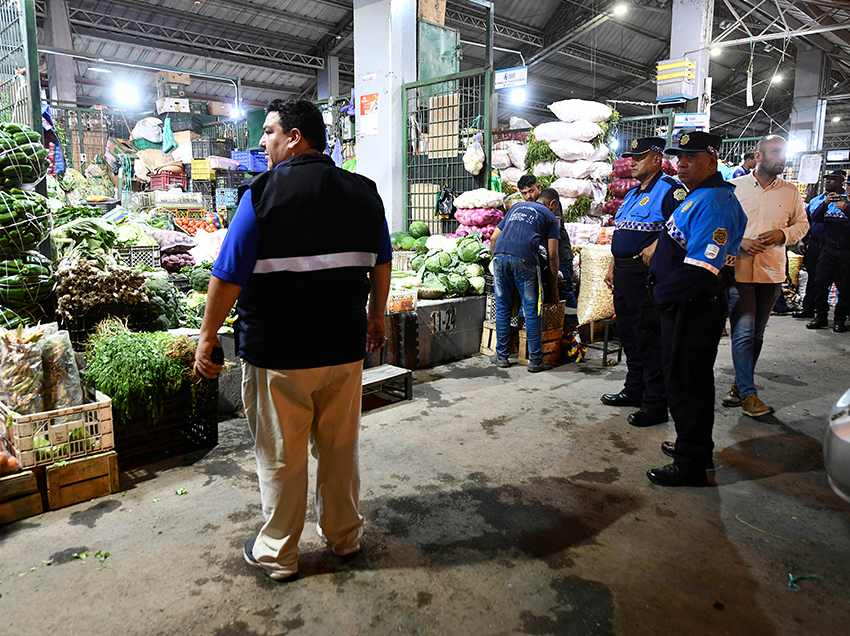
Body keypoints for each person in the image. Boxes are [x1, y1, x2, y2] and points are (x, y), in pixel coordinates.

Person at [193, 99, 391, 580]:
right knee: (340, 449)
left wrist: (206, 338)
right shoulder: (364, 192)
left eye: (269, 132)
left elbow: (227, 275)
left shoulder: (260, 196)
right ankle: (345, 537)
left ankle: (280, 553)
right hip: (342, 352)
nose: (263, 142)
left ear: (295, 136)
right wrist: (376, 315)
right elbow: (382, 258)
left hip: (279, 356)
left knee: (282, 455)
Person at [646, 131, 747, 487]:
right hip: (685, 302)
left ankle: (691, 464)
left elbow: (703, 266)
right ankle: (695, 446)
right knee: (690, 379)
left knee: (686, 381)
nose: (682, 164)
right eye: (679, 157)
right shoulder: (700, 196)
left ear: (712, 161)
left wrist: (662, 294)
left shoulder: (715, 201)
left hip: (692, 304)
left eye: (691, 157)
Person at [600, 137, 687, 429]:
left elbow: (683, 229)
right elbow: (621, 232)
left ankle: (654, 403)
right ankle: (634, 388)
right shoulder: (632, 194)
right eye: (631, 157)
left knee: (649, 338)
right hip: (624, 275)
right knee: (628, 335)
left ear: (655, 157)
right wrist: (613, 264)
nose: (632, 162)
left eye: (638, 157)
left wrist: (658, 245)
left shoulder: (671, 190)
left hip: (646, 277)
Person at [726, 136, 808, 417]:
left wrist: (783, 235)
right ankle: (749, 395)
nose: (782, 158)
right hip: (738, 271)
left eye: (784, 153)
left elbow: (802, 224)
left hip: (771, 272)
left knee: (757, 335)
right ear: (758, 156)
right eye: (775, 152)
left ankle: (739, 385)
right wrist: (738, 243)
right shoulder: (734, 188)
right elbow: (719, 226)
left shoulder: (790, 192)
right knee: (744, 331)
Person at [489, 193, 560, 372]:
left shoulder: (515, 207)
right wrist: (553, 287)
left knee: (503, 306)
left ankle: (502, 356)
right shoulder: (551, 217)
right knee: (531, 309)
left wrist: (496, 261)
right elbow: (552, 255)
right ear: (553, 203)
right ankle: (536, 360)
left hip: (499, 256)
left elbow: (493, 238)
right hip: (525, 260)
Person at [517, 176, 577, 308]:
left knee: (565, 291)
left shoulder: (550, 202)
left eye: (531, 191)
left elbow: (554, 225)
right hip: (545, 258)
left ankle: (573, 326)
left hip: (560, 256)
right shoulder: (529, 207)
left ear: (538, 188)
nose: (528, 196)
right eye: (524, 193)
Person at [793, 171, 844, 319]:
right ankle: (809, 308)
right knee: (814, 279)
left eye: (832, 180)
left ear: (841, 181)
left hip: (836, 245)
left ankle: (839, 315)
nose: (828, 182)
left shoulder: (845, 200)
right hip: (815, 244)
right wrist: (801, 240)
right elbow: (806, 221)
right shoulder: (817, 200)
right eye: (826, 180)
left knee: (839, 282)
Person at [806, 172, 850, 333]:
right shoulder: (830, 200)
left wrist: (847, 210)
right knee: (820, 283)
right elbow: (815, 218)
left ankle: (839, 319)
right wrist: (825, 204)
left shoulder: (845, 203)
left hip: (846, 251)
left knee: (844, 287)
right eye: (849, 186)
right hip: (827, 249)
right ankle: (821, 316)